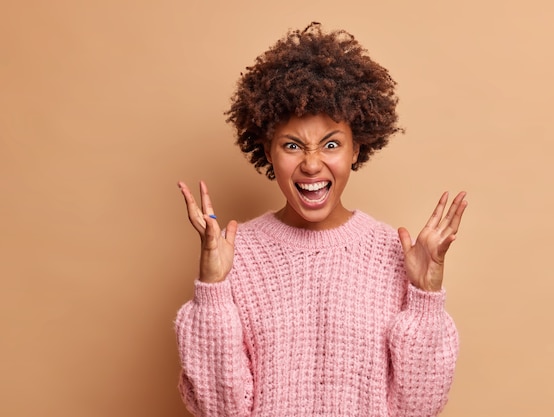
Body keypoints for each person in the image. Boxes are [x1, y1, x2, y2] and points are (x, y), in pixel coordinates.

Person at [175, 22, 468, 417]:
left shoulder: (395, 255)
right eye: (292, 146)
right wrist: (212, 290)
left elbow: (418, 409)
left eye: (331, 144)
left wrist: (425, 298)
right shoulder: (235, 256)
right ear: (268, 150)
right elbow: (220, 409)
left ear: (356, 149)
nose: (312, 164)